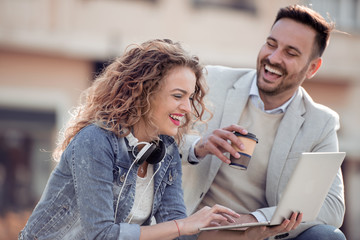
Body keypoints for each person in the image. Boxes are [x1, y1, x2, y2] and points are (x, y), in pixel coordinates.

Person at [18, 39, 300, 240]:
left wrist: (254, 234)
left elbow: (179, 233)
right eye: (178, 96)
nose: (188, 108)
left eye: (190, 98)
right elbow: (102, 234)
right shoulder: (95, 141)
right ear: (142, 93)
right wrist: (185, 225)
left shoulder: (165, 150)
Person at [180, 5, 346, 240]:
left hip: (258, 235)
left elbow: (332, 206)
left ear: (312, 68)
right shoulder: (210, 81)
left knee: (328, 236)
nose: (273, 57)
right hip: (194, 228)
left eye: (290, 53)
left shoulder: (320, 123)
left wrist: (256, 219)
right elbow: (159, 139)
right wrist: (198, 147)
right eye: (271, 44)